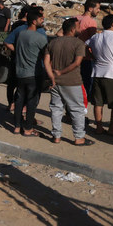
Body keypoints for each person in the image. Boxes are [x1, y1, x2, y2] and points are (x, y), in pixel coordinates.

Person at [44, 18, 92, 146]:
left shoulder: (53, 43)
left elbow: (46, 62)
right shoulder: (79, 43)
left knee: (56, 109)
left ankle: (56, 136)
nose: (80, 29)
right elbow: (77, 63)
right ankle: (79, 137)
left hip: (55, 82)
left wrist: (52, 77)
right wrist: (62, 72)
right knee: (77, 110)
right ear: (72, 29)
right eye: (78, 27)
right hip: (72, 82)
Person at [86, 14, 113, 137]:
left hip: (97, 72)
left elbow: (85, 46)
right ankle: (112, 128)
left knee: (98, 103)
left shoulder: (96, 36)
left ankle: (99, 128)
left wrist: (92, 57)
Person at [13, 11, 48, 136]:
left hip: (20, 73)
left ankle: (17, 126)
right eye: (40, 19)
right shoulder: (40, 38)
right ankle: (28, 128)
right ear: (34, 21)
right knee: (31, 102)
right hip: (33, 74)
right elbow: (47, 55)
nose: (42, 21)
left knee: (19, 100)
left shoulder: (21, 34)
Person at [78, 0, 100, 101]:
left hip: (74, 56)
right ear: (90, 9)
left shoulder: (75, 18)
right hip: (86, 57)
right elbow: (93, 41)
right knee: (86, 85)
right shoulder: (91, 22)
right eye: (98, 8)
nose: (99, 11)